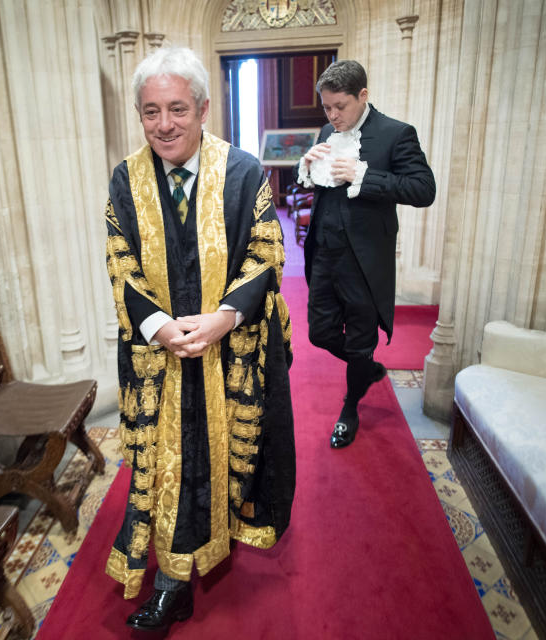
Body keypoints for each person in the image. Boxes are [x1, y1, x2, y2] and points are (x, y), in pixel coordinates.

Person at [103, 46, 295, 632]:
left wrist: (224, 318)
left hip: (226, 352)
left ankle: (215, 540)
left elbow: (267, 253)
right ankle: (171, 584)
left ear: (204, 108)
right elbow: (121, 263)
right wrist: (160, 327)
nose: (164, 125)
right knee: (162, 469)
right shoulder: (126, 179)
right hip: (156, 358)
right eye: (151, 111)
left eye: (178, 109)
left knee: (225, 458)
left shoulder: (242, 172)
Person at [297, 60, 435, 449]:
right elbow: (323, 186)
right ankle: (368, 367)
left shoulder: (396, 134)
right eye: (326, 107)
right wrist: (306, 169)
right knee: (320, 333)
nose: (332, 115)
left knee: (359, 341)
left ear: (363, 96)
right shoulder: (327, 130)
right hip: (324, 254)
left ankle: (350, 408)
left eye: (340, 106)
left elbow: (423, 189)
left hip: (365, 263)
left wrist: (364, 175)